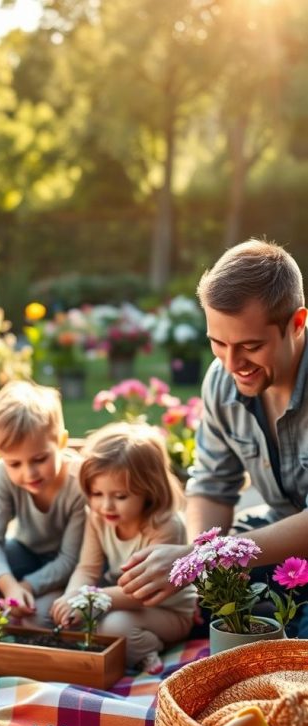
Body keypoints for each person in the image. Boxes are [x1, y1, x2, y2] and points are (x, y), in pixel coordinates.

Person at [118, 238, 308, 638]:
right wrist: (204, 565)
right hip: (274, 541)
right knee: (204, 605)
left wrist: (207, 558)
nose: (232, 364)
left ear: (296, 323)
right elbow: (211, 487)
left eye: (250, 347)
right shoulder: (222, 382)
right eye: (217, 344)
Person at [51, 422, 196, 672]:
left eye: (120, 497)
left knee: (112, 627)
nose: (106, 506)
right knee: (80, 621)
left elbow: (144, 594)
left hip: (168, 611)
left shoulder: (164, 525)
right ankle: (130, 645)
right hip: (123, 600)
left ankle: (148, 648)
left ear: (149, 491)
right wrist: (72, 596)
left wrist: (87, 599)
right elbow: (87, 567)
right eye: (97, 493)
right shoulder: (97, 517)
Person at [0, 380, 86, 618]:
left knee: (47, 614)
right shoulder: (2, 474)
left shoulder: (78, 482)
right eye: (14, 463)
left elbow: (70, 559)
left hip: (72, 565)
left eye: (39, 459)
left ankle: (27, 605)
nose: (29, 473)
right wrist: (9, 585)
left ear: (61, 442)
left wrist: (26, 586)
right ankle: (6, 609)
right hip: (27, 553)